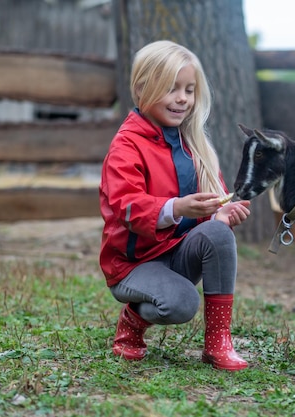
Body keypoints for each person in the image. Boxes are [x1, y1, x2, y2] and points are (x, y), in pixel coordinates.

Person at [99, 40, 251, 371]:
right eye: (171, 88)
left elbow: (210, 202)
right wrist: (178, 208)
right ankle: (133, 320)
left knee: (218, 234)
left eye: (189, 89)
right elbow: (127, 206)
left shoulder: (192, 142)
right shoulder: (126, 146)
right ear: (141, 89)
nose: (182, 98)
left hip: (176, 252)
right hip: (133, 264)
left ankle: (218, 343)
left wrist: (220, 213)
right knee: (181, 305)